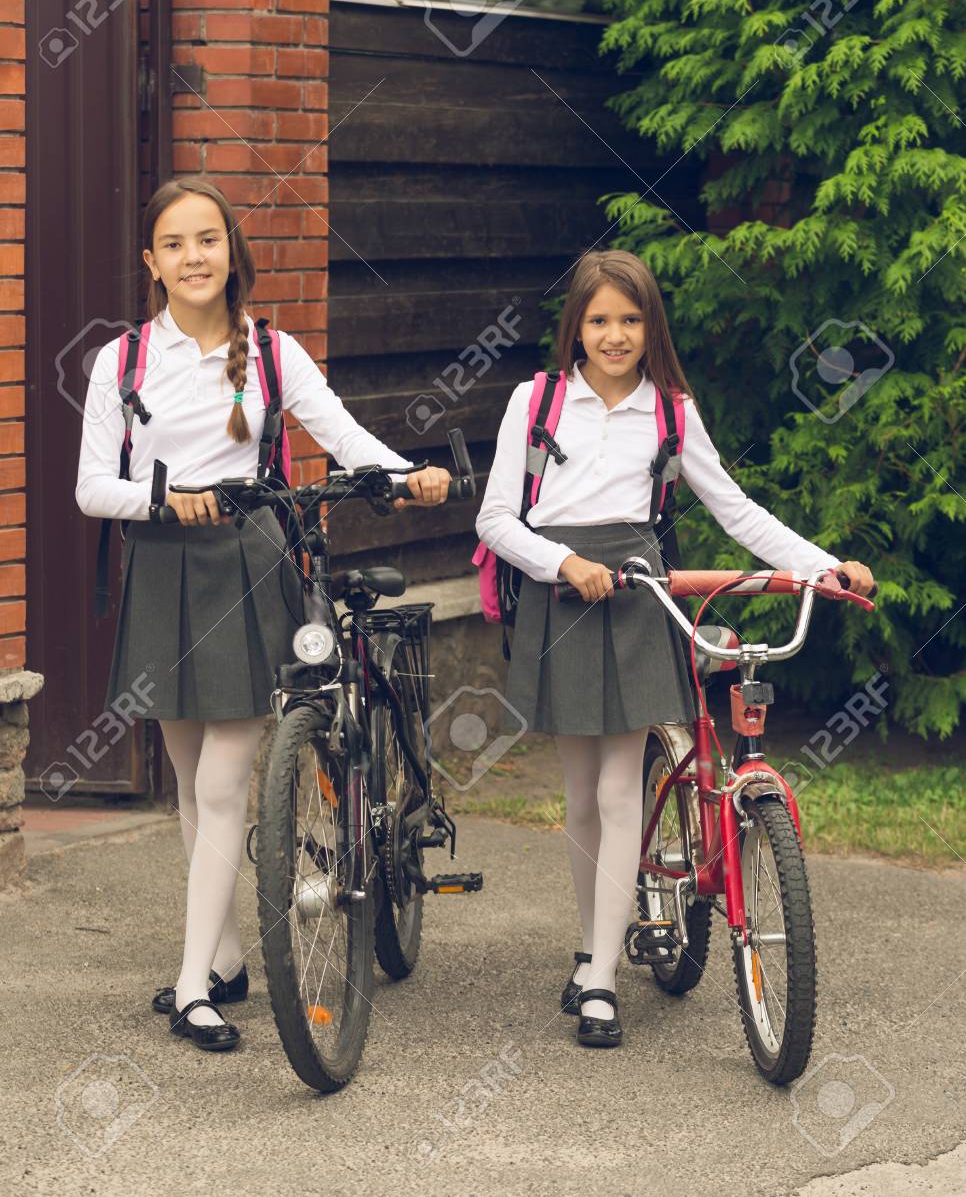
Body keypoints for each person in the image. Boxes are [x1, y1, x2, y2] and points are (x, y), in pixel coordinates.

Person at [75, 176, 451, 1052]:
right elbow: (94, 487)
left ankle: (191, 985)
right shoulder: (122, 361)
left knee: (221, 783)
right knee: (187, 783)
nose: (193, 257)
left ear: (230, 253)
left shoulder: (275, 354)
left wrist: (406, 475)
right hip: (165, 567)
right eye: (174, 244)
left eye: (207, 239)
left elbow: (345, 436)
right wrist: (167, 505)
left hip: (251, 563)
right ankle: (229, 958)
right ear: (151, 263)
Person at [475, 248, 875, 1048]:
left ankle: (599, 981)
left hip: (635, 594)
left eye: (631, 319)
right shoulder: (537, 400)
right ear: (576, 329)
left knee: (622, 789)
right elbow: (494, 521)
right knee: (582, 793)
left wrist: (822, 566)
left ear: (651, 326)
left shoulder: (671, 412)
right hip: (564, 595)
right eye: (599, 320)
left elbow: (735, 509)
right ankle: (593, 944)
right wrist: (566, 564)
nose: (615, 335)